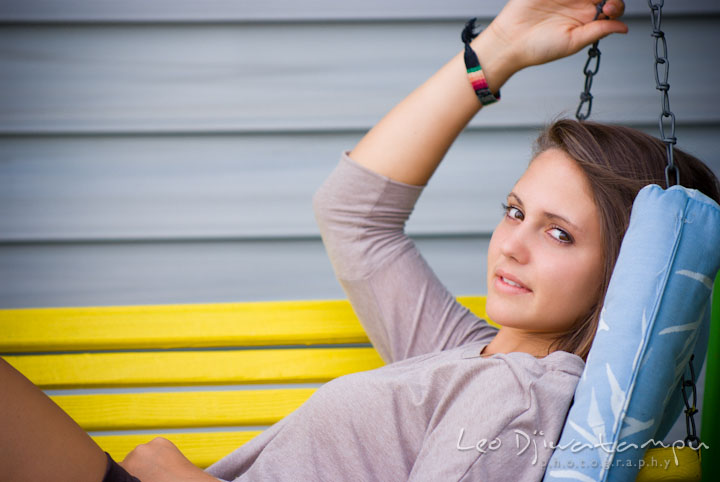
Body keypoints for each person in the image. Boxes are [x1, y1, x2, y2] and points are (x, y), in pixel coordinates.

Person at [1, 0, 719, 481]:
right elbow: (354, 216)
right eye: (513, 210)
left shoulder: (519, 401)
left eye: (559, 233)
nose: (513, 245)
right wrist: (495, 51)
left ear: (622, 275)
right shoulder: (471, 352)